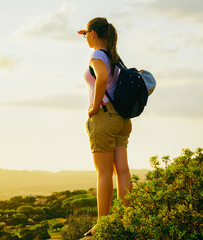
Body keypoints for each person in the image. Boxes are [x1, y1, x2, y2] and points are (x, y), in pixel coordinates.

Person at [78, 17, 133, 236]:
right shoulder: (113, 56)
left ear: (92, 33)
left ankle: (104, 223)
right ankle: (129, 217)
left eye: (85, 34)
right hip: (121, 118)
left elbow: (100, 79)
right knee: (123, 170)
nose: (85, 38)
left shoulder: (96, 55)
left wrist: (94, 106)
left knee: (103, 173)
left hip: (104, 117)